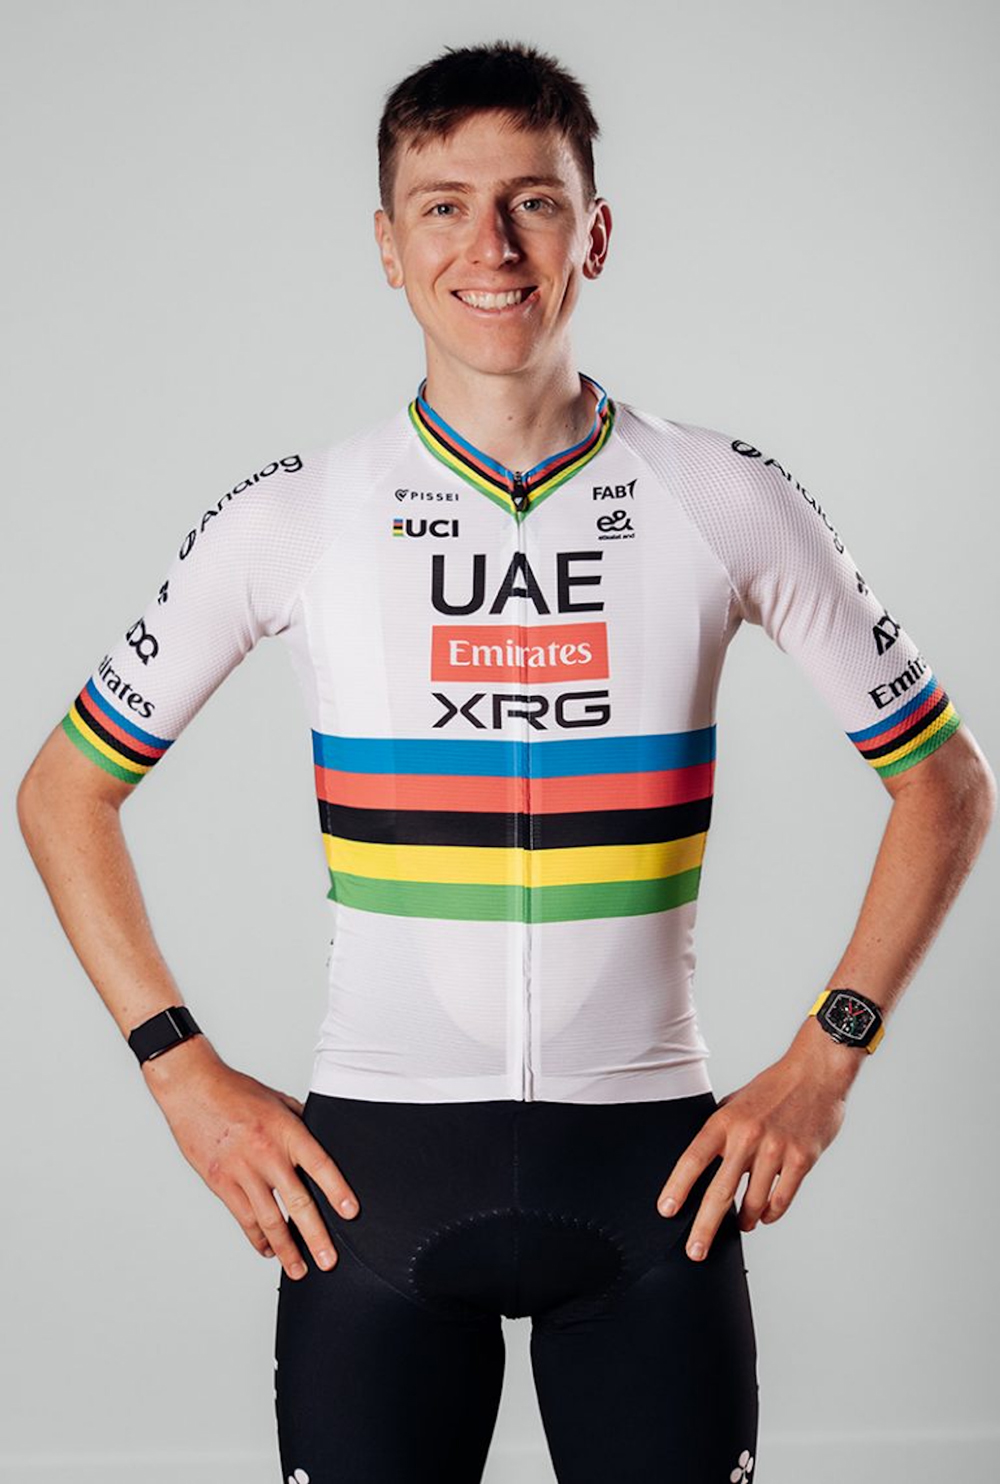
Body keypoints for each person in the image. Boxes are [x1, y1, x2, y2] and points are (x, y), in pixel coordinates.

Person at [17, 37, 995, 1484]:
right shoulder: (299, 515)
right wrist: (182, 1074)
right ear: (387, 245)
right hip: (374, 1194)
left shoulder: (719, 496)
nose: (491, 246)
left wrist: (827, 1059)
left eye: (533, 202)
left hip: (653, 1189)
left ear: (594, 233)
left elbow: (945, 783)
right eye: (444, 206)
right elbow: (63, 791)